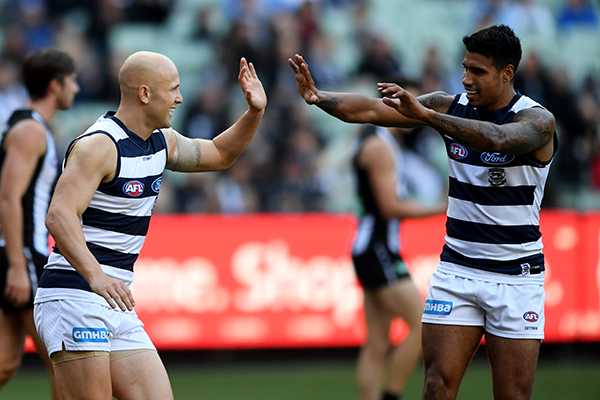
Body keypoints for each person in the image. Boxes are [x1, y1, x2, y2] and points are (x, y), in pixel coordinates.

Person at [289, 24, 556, 400]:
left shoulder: (538, 121)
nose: (466, 79)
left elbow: (499, 139)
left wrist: (430, 117)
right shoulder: (449, 106)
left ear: (506, 73)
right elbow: (370, 109)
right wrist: (318, 97)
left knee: (512, 395)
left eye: (477, 71)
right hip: (457, 271)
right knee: (435, 387)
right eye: (464, 68)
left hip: (517, 277)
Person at [33, 51, 266, 400]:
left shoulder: (162, 141)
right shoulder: (100, 145)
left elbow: (220, 154)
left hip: (115, 302)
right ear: (145, 93)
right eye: (172, 89)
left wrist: (254, 112)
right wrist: (96, 276)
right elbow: (59, 215)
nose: (179, 98)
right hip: (75, 296)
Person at [351, 79, 446, 400]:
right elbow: (390, 207)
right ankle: (391, 396)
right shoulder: (379, 146)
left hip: (370, 246)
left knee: (377, 342)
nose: (416, 110)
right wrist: (442, 208)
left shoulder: (383, 143)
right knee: (421, 325)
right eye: (409, 101)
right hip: (377, 247)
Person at [0, 48, 79, 400]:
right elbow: (8, 198)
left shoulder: (28, 127)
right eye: (72, 80)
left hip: (14, 253)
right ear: (54, 85)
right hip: (23, 254)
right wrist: (19, 266)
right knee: (64, 360)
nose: (76, 88)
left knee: (4, 362)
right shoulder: (31, 131)